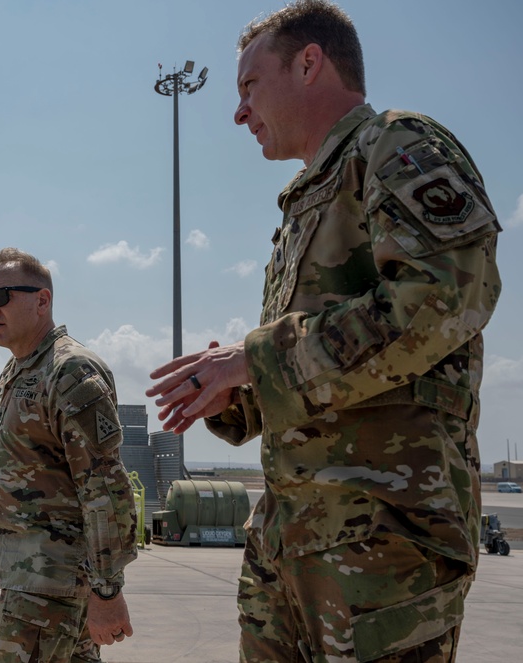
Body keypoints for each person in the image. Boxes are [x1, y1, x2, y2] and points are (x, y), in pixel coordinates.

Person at [146, 1, 502, 660]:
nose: (238, 111)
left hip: (379, 544)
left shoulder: (396, 145)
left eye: (249, 86)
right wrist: (238, 395)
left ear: (309, 63)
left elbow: (445, 295)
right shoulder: (303, 204)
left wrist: (254, 357)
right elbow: (316, 370)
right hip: (293, 546)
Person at [0, 247, 138, 663]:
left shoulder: (70, 371)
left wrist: (107, 591)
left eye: (1, 297)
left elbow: (105, 491)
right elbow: (13, 482)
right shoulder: (16, 372)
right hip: (27, 580)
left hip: (49, 590)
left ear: (42, 301)